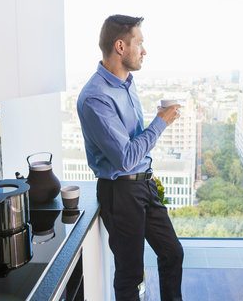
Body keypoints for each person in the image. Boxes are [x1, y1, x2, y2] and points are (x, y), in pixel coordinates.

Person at [77, 15, 183, 301]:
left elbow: (133, 143)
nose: (144, 51)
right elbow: (125, 158)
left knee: (172, 252)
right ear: (121, 46)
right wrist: (161, 122)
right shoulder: (95, 97)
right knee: (130, 274)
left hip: (143, 184)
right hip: (120, 192)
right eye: (140, 44)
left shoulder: (127, 84)